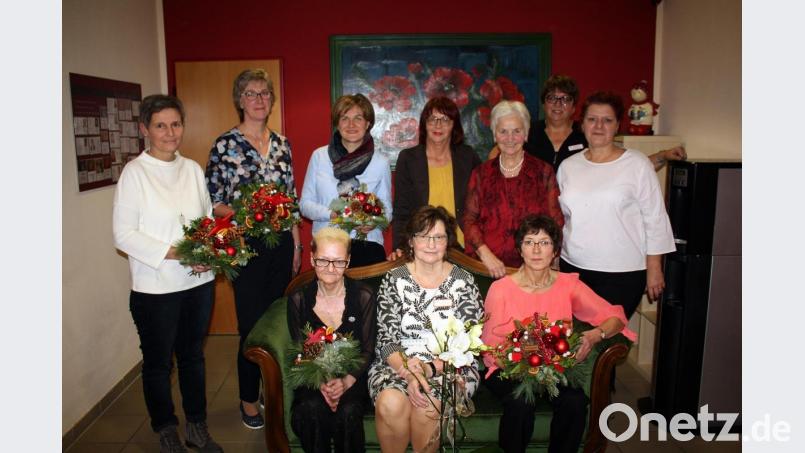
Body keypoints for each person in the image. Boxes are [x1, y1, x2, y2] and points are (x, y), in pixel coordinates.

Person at [113, 94, 223, 452]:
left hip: (198, 283)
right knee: (159, 364)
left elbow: (206, 220)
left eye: (176, 124)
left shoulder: (191, 169)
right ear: (145, 129)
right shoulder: (135, 173)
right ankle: (165, 427)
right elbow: (123, 235)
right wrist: (179, 253)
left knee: (193, 358)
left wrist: (208, 253)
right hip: (155, 288)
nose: (170, 132)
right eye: (160, 125)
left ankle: (196, 426)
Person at [481, 215, 637, 453]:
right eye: (529, 242)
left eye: (544, 242)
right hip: (509, 368)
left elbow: (615, 317)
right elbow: (490, 350)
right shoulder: (500, 289)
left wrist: (594, 336)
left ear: (554, 251)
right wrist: (522, 364)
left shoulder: (568, 285)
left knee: (574, 401)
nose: (536, 250)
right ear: (520, 249)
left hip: (555, 367)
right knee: (520, 403)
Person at [205, 68, 302, 429]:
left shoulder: (282, 144)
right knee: (250, 325)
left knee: (277, 322)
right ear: (240, 100)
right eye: (251, 93)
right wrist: (244, 215)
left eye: (264, 93)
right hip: (244, 245)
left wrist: (296, 245)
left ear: (271, 100)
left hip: (281, 245)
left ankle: (271, 391)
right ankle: (248, 399)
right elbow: (212, 200)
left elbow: (290, 198)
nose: (259, 99)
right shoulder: (225, 145)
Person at [369, 206, 484, 453]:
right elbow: (386, 339)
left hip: (452, 366)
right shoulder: (394, 279)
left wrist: (429, 369)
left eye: (438, 237)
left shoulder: (464, 281)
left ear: (447, 241)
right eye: (423, 236)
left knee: (428, 404)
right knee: (390, 403)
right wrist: (410, 373)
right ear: (411, 241)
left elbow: (468, 344)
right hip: (398, 363)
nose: (431, 244)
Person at [557, 91, 676, 318]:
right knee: (576, 335)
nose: (599, 126)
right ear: (582, 124)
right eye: (592, 119)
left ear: (617, 126)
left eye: (607, 120)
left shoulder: (637, 164)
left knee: (610, 336)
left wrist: (654, 267)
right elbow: (562, 217)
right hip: (573, 268)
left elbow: (655, 218)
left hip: (622, 273)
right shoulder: (568, 166)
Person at [287, 227, 377, 453]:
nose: (330, 268)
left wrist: (346, 381)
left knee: (348, 411)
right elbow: (300, 350)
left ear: (348, 261)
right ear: (311, 258)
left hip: (353, 375)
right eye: (323, 260)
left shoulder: (364, 296)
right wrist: (322, 382)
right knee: (310, 407)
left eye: (338, 262)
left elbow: (368, 349)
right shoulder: (298, 298)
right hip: (313, 375)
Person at [487, 75, 687, 171]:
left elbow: (625, 167)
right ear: (544, 103)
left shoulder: (588, 134)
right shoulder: (529, 132)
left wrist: (663, 156)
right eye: (552, 98)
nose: (558, 104)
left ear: (574, 106)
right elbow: (498, 153)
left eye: (565, 99)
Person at [463, 100, 564, 278]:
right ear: (495, 135)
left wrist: (547, 260)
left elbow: (555, 222)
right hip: (487, 269)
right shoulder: (480, 174)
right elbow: (469, 220)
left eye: (517, 131)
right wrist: (486, 255)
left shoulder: (543, 172)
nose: (510, 138)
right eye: (503, 131)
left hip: (533, 271)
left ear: (526, 134)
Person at [300, 94, 392, 267]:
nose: (351, 125)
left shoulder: (381, 162)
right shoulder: (319, 157)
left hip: (367, 246)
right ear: (337, 123)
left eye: (358, 118)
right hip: (327, 247)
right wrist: (332, 214)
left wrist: (372, 223)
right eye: (345, 118)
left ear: (368, 123)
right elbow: (305, 205)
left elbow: (387, 210)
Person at [388, 96, 481, 260]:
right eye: (432, 119)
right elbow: (402, 210)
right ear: (424, 124)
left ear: (454, 125)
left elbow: (481, 204)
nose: (438, 125)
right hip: (423, 246)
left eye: (445, 119)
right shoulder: (408, 159)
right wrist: (400, 247)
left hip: (463, 249)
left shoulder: (468, 157)